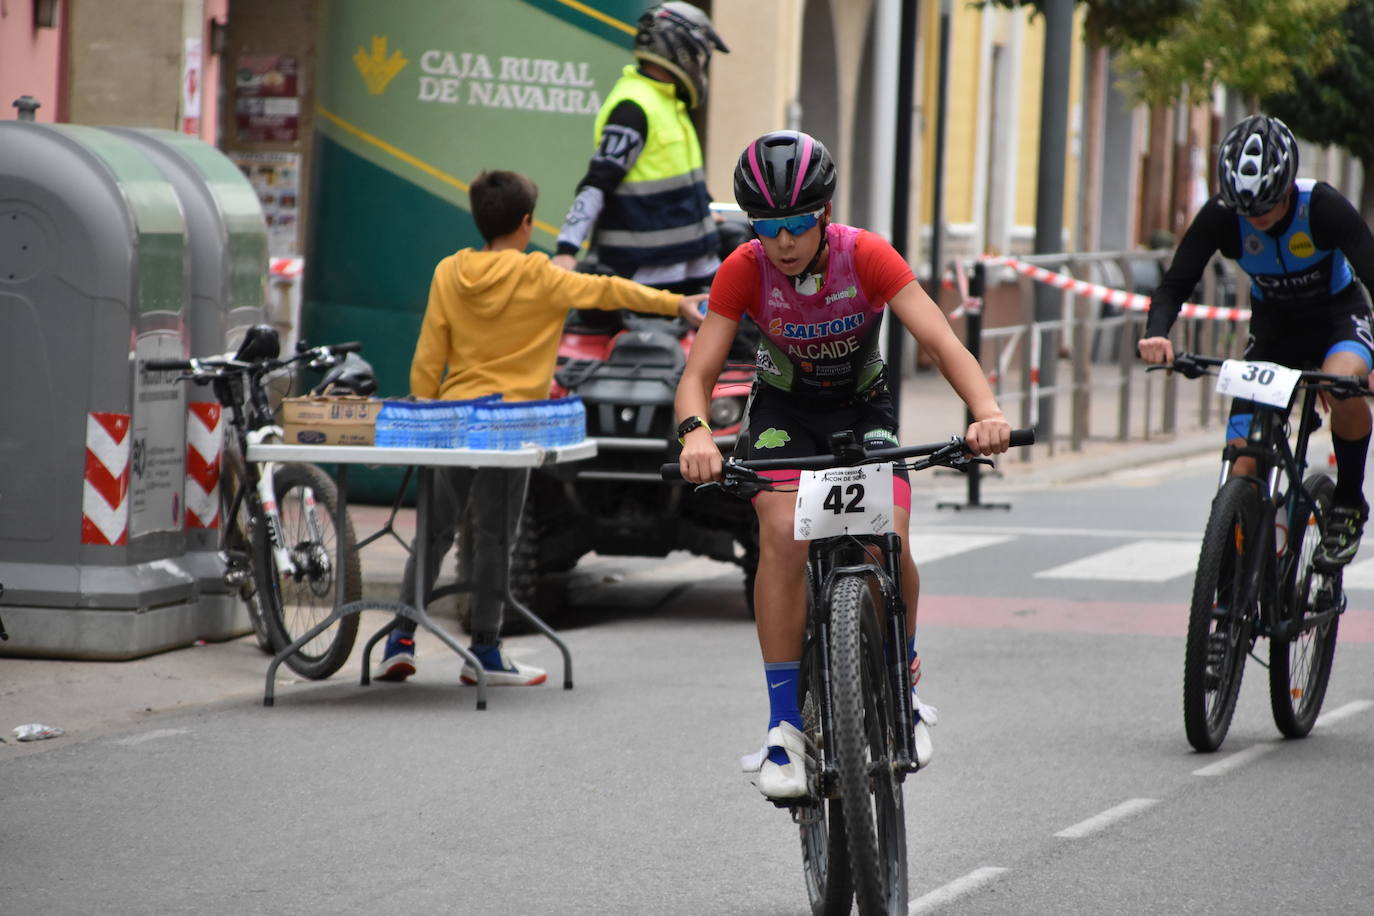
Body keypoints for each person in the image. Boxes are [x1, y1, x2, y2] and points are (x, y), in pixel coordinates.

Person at [674, 130, 1011, 799]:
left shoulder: (868, 256)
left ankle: (901, 674)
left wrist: (985, 412)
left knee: (891, 539)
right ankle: (783, 729)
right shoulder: (744, 267)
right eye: (769, 228)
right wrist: (696, 436)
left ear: (824, 212)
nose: (785, 241)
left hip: (863, 412)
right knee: (779, 535)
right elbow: (699, 375)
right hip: (783, 416)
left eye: (799, 224)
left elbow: (941, 342)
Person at [374, 169, 704, 684]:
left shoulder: (448, 272)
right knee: (494, 538)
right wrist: (677, 304)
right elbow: (609, 290)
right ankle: (484, 650)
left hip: (455, 422)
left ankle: (401, 636)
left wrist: (424, 412)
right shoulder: (541, 276)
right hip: (512, 429)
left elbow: (427, 356)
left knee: (435, 533)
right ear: (526, 224)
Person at [1139, 114, 1374, 572]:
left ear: (1287, 188)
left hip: (1337, 318)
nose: (1256, 218)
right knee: (1243, 462)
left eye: (1266, 206)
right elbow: (1174, 286)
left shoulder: (1322, 207)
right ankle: (1227, 592)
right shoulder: (1224, 216)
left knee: (1345, 383)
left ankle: (1347, 502)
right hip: (1274, 332)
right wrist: (1156, 334)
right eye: (1246, 209)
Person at [551, 2, 728, 293]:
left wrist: (703, 211)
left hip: (690, 263)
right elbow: (597, 183)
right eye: (698, 55)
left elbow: (678, 172)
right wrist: (566, 249)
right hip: (647, 274)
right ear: (680, 50)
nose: (699, 64)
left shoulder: (668, 101)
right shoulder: (633, 108)